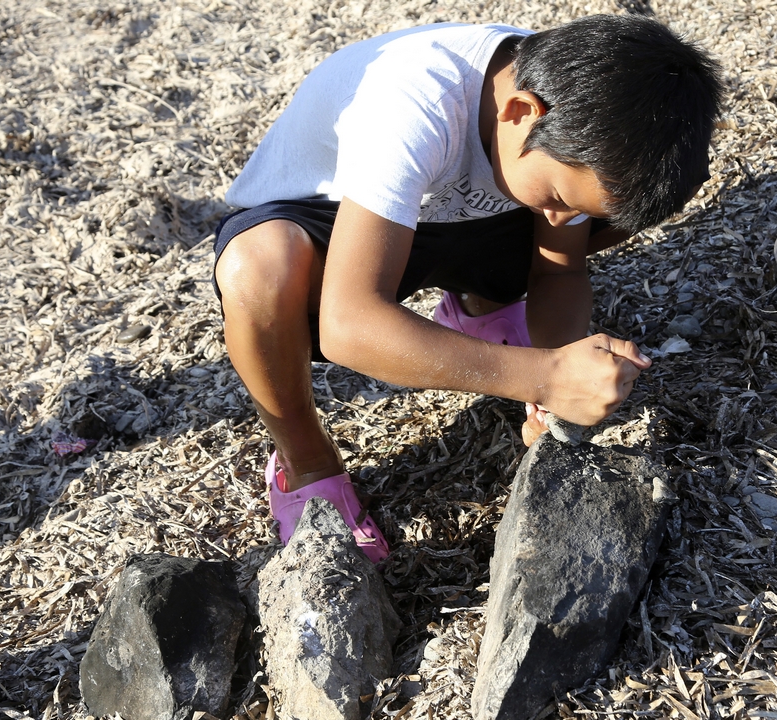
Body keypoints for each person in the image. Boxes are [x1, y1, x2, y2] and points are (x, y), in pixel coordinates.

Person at [212, 15, 725, 558]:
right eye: (557, 196)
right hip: (336, 222)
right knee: (257, 271)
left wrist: (551, 383)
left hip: (457, 217)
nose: (561, 216)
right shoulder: (414, 105)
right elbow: (346, 325)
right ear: (520, 112)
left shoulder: (573, 126)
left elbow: (560, 269)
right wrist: (546, 375)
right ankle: (305, 461)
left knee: (625, 203)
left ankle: (482, 307)